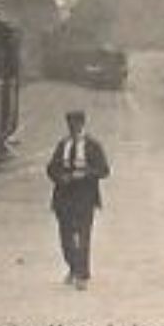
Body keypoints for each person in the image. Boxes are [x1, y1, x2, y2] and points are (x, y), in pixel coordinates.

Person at [46, 109, 110, 290]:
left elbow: (104, 170)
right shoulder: (62, 145)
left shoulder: (93, 146)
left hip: (85, 196)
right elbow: (51, 168)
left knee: (83, 236)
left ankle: (82, 274)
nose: (73, 128)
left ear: (82, 124)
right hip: (64, 196)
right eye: (70, 124)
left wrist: (85, 174)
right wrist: (60, 177)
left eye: (76, 124)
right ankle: (73, 267)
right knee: (65, 237)